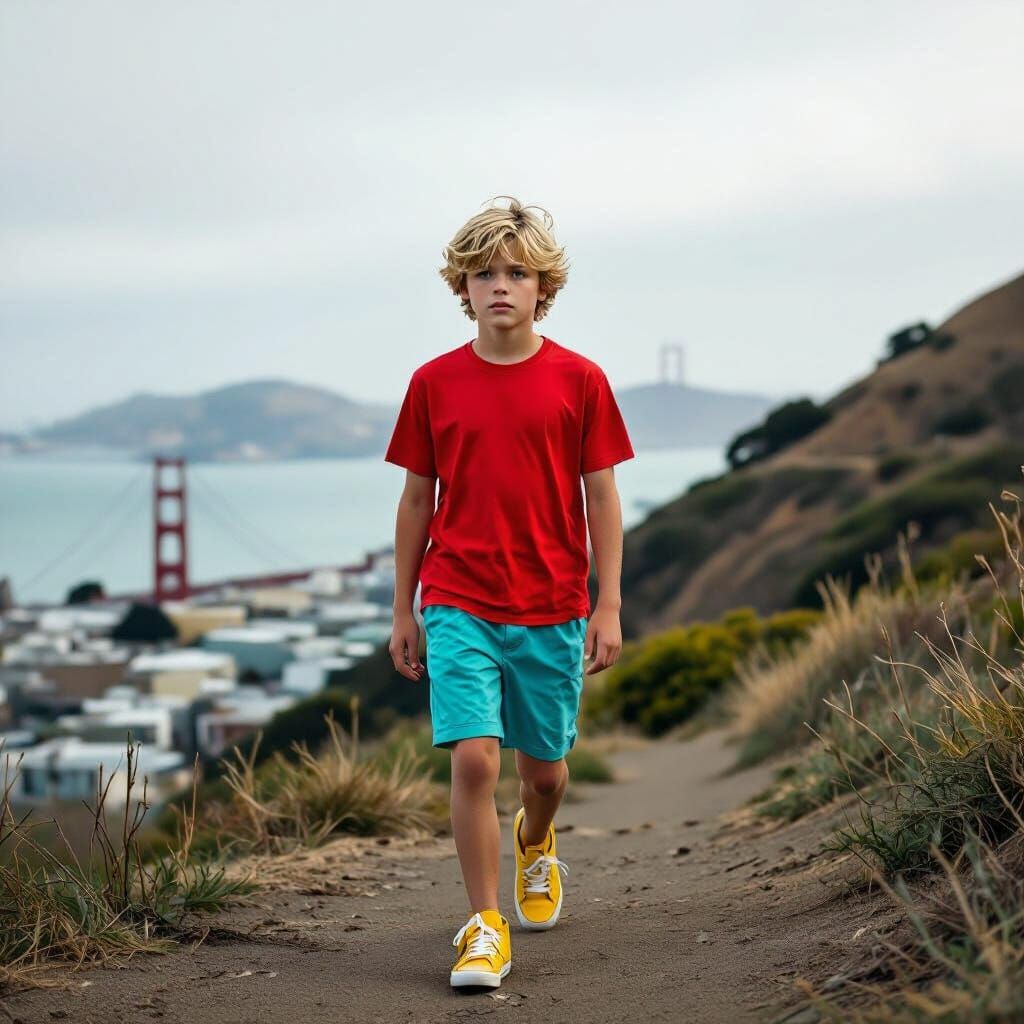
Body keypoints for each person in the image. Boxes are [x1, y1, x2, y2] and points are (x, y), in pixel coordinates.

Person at [384, 195, 635, 990]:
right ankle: (485, 927)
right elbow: (417, 501)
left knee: (546, 775)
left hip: (553, 606)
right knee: (473, 762)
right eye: (485, 273)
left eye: (516, 273)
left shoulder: (580, 379)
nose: (500, 285)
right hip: (456, 599)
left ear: (541, 288)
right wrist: (403, 607)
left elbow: (603, 498)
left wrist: (609, 603)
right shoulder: (432, 383)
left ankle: (537, 838)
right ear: (463, 286)